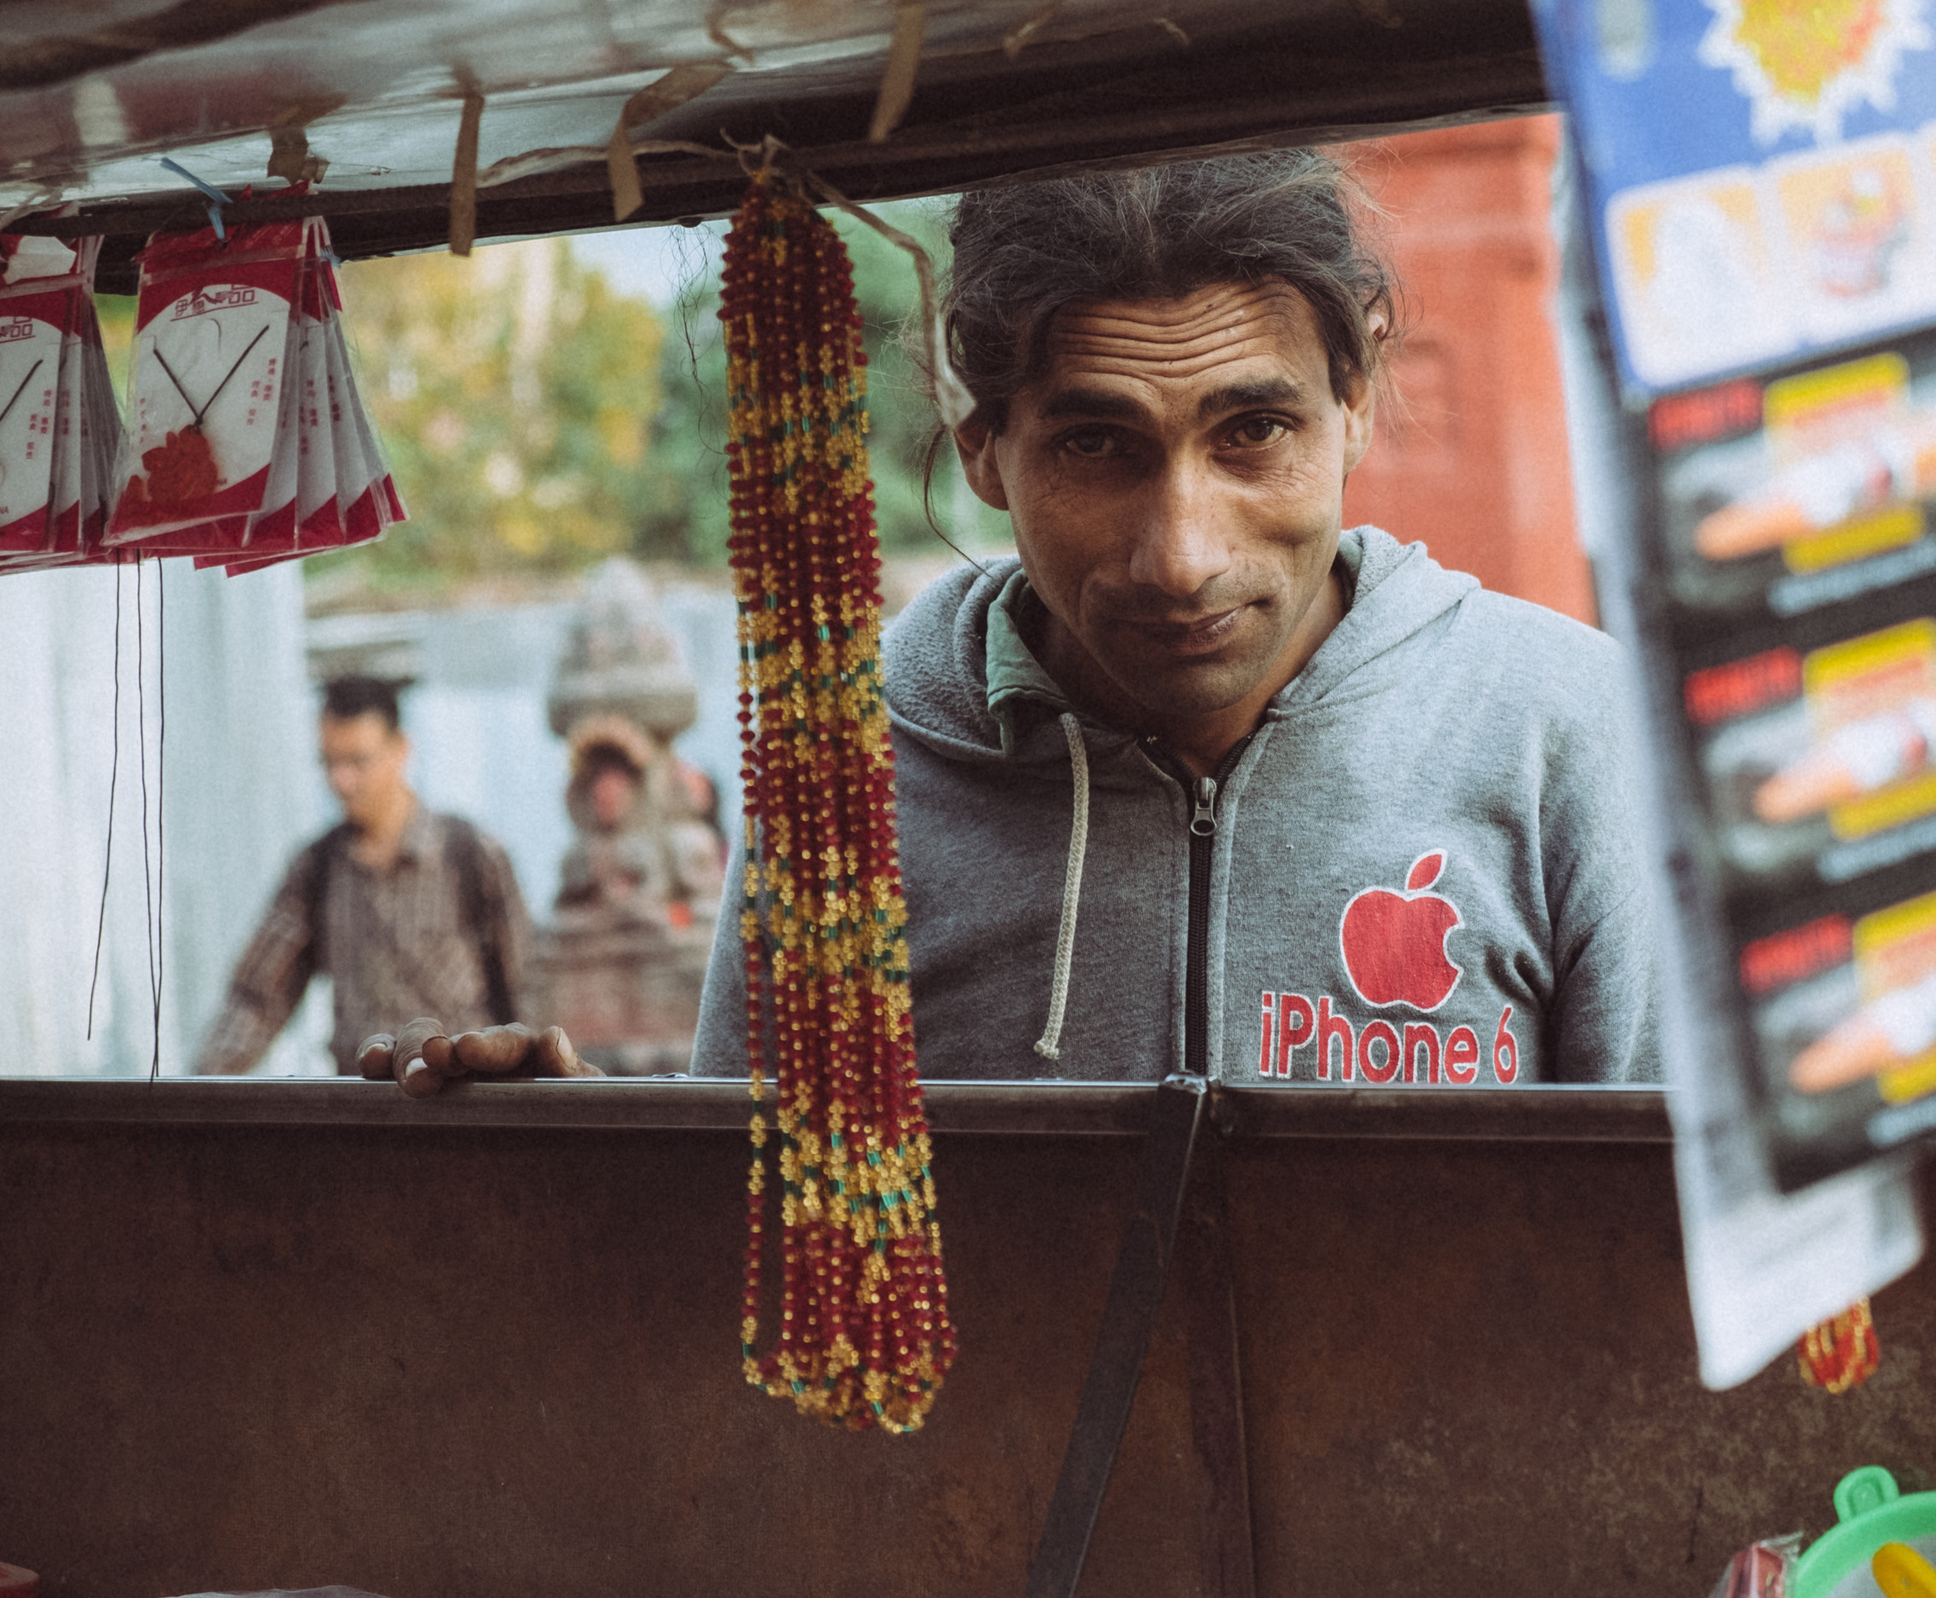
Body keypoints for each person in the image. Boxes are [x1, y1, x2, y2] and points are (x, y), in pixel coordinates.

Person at [364, 150, 1656, 1094]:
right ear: (982, 445)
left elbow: (1673, 1259)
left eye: (1254, 432)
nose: (1183, 555)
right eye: (1098, 445)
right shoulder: (850, 773)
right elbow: (765, 1257)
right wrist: (571, 1159)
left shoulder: (1562, 734)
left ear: (1356, 397)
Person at [198, 675, 540, 1076]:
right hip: (362, 1113)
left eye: (357, 761)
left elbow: (531, 992)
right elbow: (255, 1001)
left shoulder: (472, 856)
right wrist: (190, 1100)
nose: (340, 781)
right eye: (329, 762)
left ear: (400, 751)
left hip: (464, 1113)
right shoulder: (316, 869)